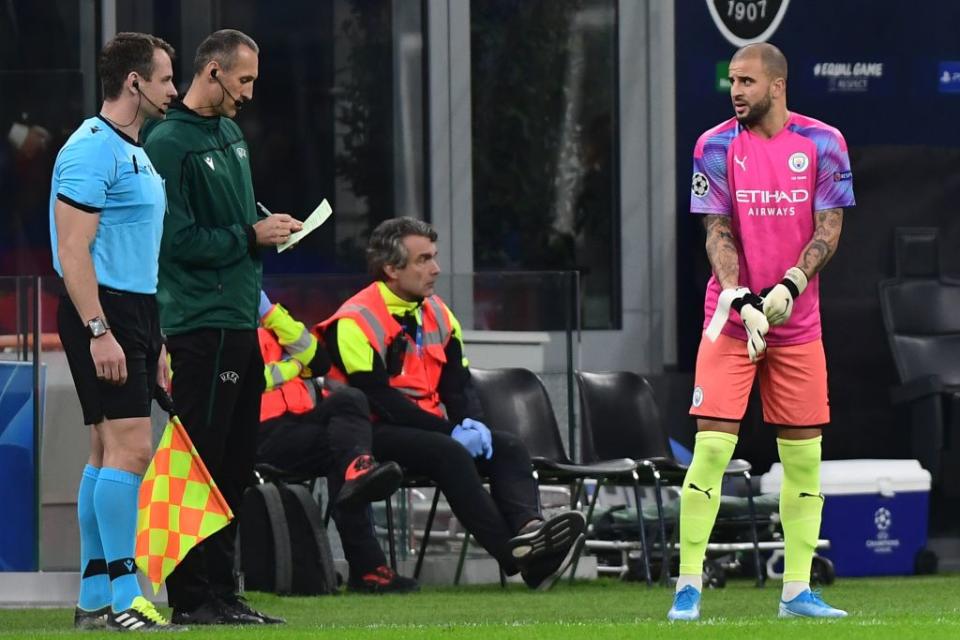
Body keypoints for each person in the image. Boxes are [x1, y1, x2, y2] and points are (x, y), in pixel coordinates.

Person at [669, 43, 854, 621]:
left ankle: (796, 590)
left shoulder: (824, 142)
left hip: (797, 326)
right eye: (732, 81)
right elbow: (716, 231)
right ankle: (688, 586)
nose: (736, 90)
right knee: (712, 450)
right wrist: (741, 297)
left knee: (803, 461)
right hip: (730, 321)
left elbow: (830, 227)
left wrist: (790, 286)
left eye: (748, 81)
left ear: (777, 85)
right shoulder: (715, 144)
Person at [317, 217, 587, 591]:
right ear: (391, 268)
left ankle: (531, 531)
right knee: (450, 452)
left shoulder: (438, 313)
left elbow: (458, 387)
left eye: (435, 257)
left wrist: (471, 422)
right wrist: (451, 431)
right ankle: (517, 558)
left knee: (507, 445)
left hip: (428, 429)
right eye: (423, 260)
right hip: (367, 433)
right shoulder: (354, 320)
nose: (436, 269)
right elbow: (378, 397)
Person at [142, 29, 301, 625]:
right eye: (244, 80)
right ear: (212, 72)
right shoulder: (167, 143)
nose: (250, 93)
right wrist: (245, 237)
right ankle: (190, 597)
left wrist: (265, 225)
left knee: (235, 464)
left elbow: (233, 219)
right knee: (198, 459)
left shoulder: (231, 134)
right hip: (198, 323)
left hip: (237, 316)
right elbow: (174, 239)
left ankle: (223, 591)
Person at [50, 32, 177, 631]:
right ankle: (128, 598)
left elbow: (136, 248)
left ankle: (94, 598)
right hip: (104, 312)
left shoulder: (136, 148)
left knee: (106, 450)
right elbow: (73, 253)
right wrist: (100, 329)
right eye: (166, 79)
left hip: (136, 311)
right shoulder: (89, 149)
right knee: (132, 449)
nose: (173, 91)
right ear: (134, 82)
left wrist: (157, 340)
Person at [254, 290, 418, 593]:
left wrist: (270, 313)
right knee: (339, 456)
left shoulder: (279, 325)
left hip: (297, 425)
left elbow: (318, 360)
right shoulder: (222, 331)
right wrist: (292, 367)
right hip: (257, 436)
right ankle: (368, 567)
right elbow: (249, 381)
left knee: (350, 401)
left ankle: (359, 467)